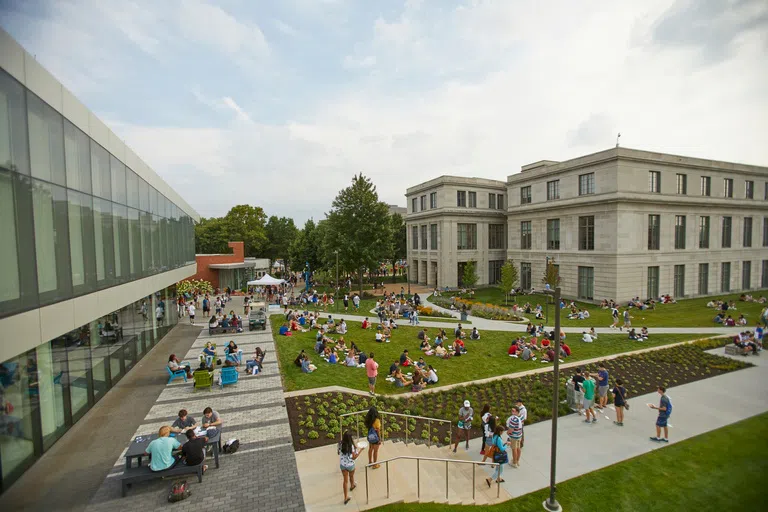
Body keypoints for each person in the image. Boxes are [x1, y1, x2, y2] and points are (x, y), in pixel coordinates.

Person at [338, 431, 360, 504]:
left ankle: (345, 497)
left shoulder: (340, 444)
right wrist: (360, 451)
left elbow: (338, 452)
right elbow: (354, 457)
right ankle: (352, 485)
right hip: (350, 465)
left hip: (342, 465)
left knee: (345, 481)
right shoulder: (351, 447)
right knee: (351, 476)